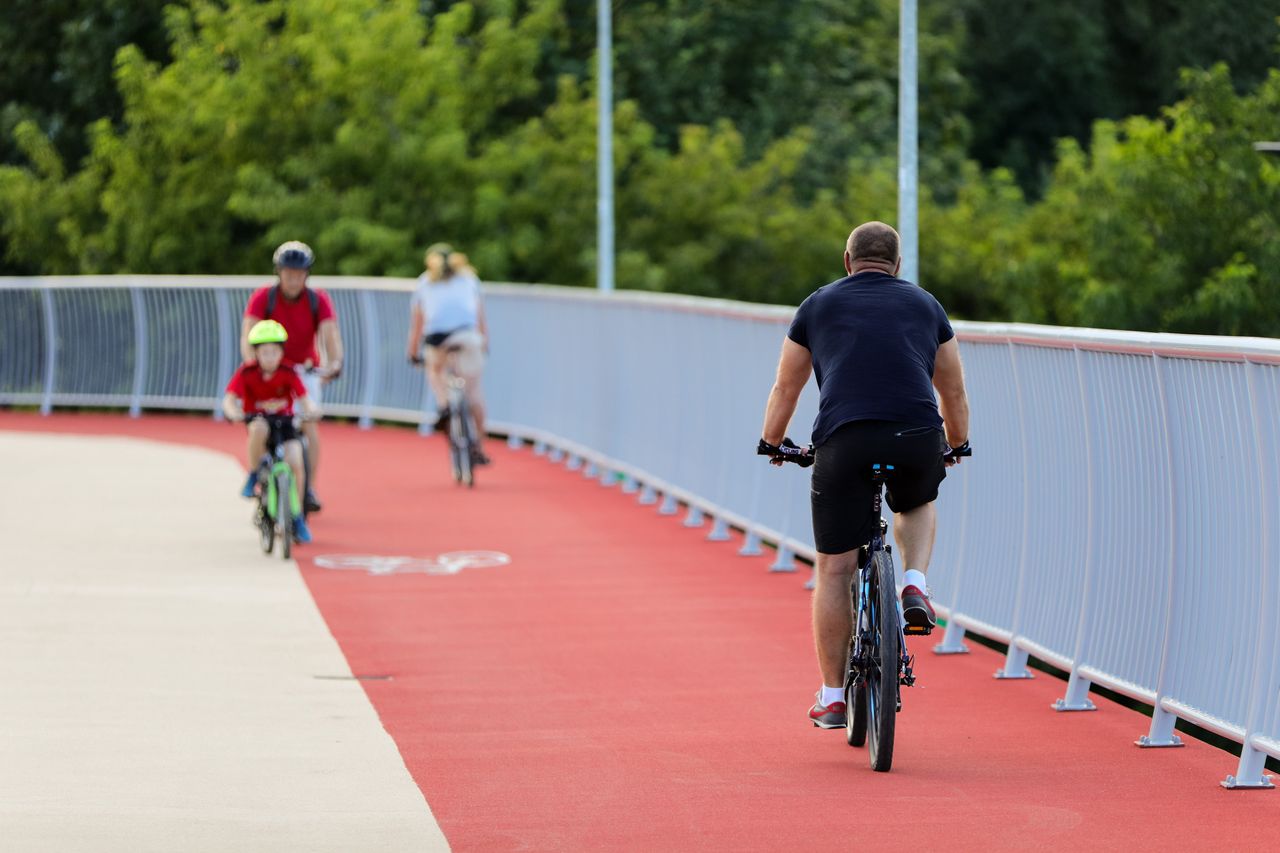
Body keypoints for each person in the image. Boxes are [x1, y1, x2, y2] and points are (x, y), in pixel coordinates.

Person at [758, 221, 971, 730]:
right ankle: (915, 583)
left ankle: (833, 697)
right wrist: (957, 444)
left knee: (834, 569)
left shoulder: (817, 305)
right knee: (916, 499)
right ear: (898, 265)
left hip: (844, 438)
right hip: (917, 433)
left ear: (847, 261)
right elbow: (954, 391)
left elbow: (786, 388)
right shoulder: (926, 305)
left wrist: (771, 441)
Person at [240, 241, 344, 513]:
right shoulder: (264, 297)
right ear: (279, 273)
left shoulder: (316, 299)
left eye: (299, 274)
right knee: (263, 423)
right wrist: (255, 366)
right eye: (288, 273)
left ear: (307, 274)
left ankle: (308, 486)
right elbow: (248, 335)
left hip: (303, 370)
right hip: (271, 371)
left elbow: (330, 333)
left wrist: (335, 363)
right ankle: (262, 471)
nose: (294, 279)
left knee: (309, 425)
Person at [223, 320, 318, 544]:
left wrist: (312, 411)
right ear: (256, 353)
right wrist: (233, 412)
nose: (269, 357)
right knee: (258, 427)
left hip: (284, 424)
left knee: (295, 460)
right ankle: (254, 473)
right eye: (264, 352)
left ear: (281, 352)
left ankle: (297, 516)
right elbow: (229, 400)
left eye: (274, 352)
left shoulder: (288, 372)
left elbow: (305, 400)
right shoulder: (246, 373)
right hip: (259, 422)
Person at [406, 243, 490, 465]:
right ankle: (478, 445)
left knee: (434, 370)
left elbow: (417, 324)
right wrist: (484, 344)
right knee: (474, 391)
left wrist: (412, 352)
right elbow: (480, 318)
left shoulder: (425, 282)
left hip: (437, 339)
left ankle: (444, 405)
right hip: (467, 336)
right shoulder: (469, 279)